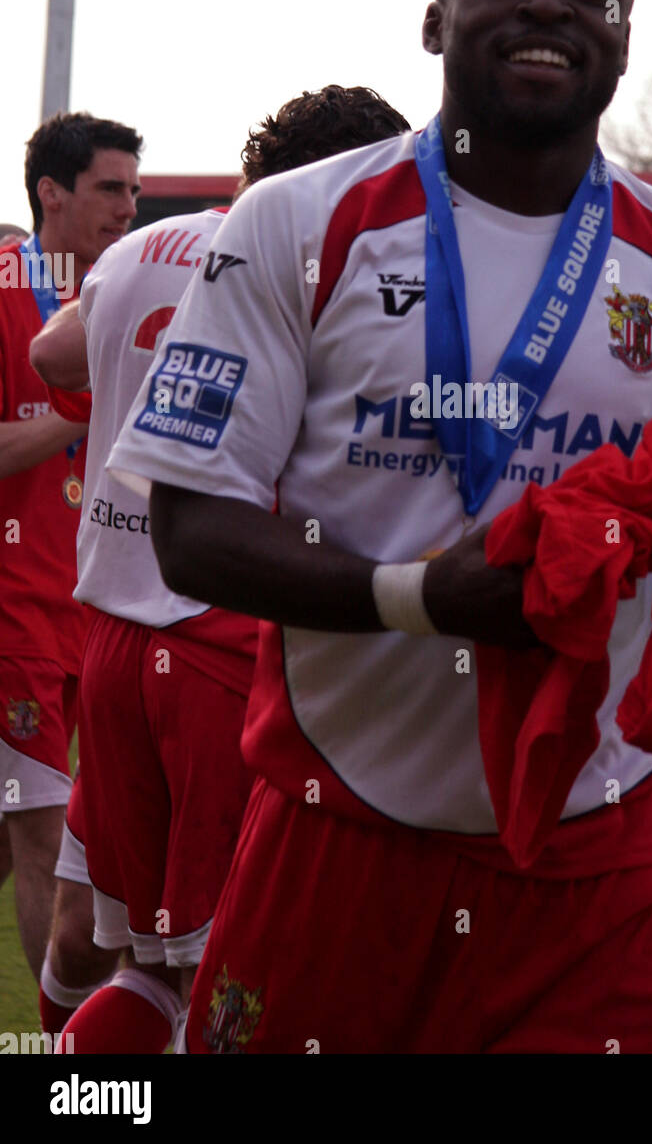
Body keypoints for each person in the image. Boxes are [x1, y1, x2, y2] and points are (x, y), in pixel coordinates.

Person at [109, 0, 652, 1054]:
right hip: (340, 828)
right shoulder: (296, 223)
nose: (547, 6)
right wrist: (418, 598)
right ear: (435, 19)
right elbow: (192, 529)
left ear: (622, 35)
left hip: (605, 839)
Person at [30, 85, 410, 1052]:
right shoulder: (312, 267)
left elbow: (55, 356)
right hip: (216, 645)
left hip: (114, 643)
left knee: (126, 957)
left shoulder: (136, 250)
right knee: (229, 967)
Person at [0, 111, 141, 984]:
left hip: (93, 610)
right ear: (51, 193)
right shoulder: (8, 288)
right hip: (13, 609)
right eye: (108, 188)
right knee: (48, 834)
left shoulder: (123, 291)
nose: (127, 207)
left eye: (133, 188)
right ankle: (59, 1066)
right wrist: (75, 414)